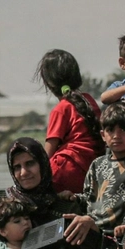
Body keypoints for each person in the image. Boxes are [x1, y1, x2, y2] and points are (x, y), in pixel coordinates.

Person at [63, 102, 125, 245]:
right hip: (91, 227)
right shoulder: (97, 164)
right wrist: (73, 197)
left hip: (117, 234)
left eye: (123, 130)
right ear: (103, 135)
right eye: (110, 130)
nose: (116, 135)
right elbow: (90, 200)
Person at [37, 49, 104, 196]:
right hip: (93, 171)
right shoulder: (89, 100)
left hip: (65, 171)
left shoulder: (61, 109)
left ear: (49, 83)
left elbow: (48, 151)